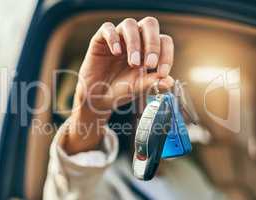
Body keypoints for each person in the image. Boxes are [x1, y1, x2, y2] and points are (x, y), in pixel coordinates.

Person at [43, 17, 224, 200]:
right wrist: (91, 109)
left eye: (177, 95)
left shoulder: (185, 171)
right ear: (132, 108)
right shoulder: (105, 179)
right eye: (157, 95)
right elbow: (70, 192)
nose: (171, 107)